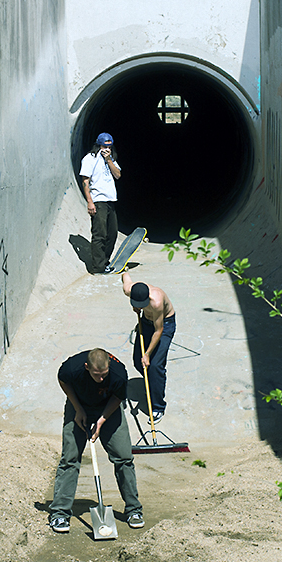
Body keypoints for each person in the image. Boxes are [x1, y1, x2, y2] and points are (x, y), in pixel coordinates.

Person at [49, 347, 144, 533]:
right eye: (96, 375)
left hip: (108, 408)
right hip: (79, 406)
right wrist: (78, 409)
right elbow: (63, 381)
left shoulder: (118, 373)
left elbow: (118, 398)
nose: (101, 379)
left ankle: (133, 509)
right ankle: (59, 513)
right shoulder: (72, 368)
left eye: (104, 374)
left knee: (124, 457)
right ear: (87, 367)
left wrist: (101, 421)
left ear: (109, 366)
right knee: (70, 458)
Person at [122, 274, 176, 422]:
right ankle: (152, 384)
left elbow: (158, 331)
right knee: (137, 361)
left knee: (155, 366)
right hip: (145, 321)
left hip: (164, 325)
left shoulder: (157, 301)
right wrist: (124, 270)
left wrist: (147, 353)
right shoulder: (129, 290)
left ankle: (158, 406)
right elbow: (125, 276)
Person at [79, 133, 121, 274]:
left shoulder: (110, 159)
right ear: (98, 145)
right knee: (99, 234)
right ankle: (98, 267)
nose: (106, 149)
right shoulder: (89, 159)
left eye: (109, 146)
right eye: (104, 146)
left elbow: (118, 175)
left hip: (110, 199)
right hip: (98, 200)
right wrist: (90, 202)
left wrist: (109, 159)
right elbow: (85, 181)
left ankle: (105, 261)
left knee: (112, 233)